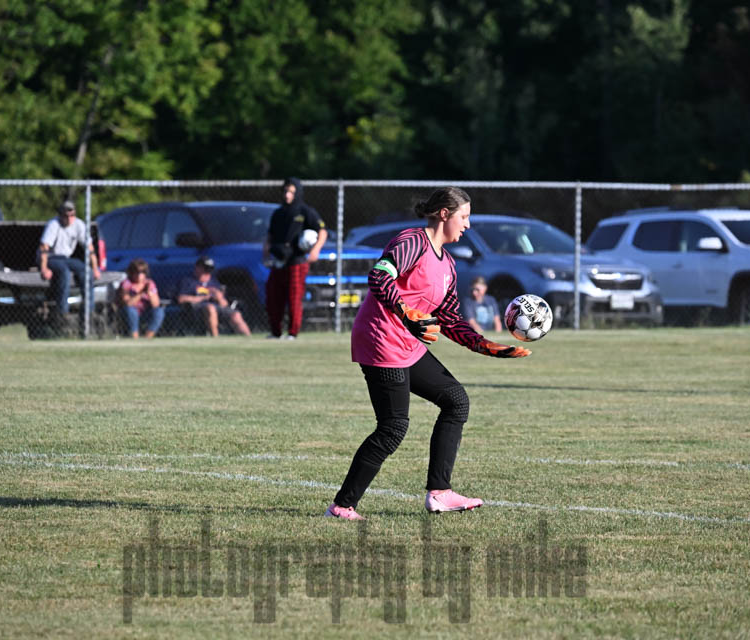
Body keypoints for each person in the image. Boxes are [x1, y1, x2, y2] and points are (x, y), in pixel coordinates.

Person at [325, 187, 531, 521]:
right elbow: (380, 276)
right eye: (464, 217)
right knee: (393, 427)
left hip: (409, 343)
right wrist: (406, 312)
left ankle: (440, 493)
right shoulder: (412, 242)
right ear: (445, 214)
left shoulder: (448, 265)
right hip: (381, 340)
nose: (467, 225)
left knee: (456, 401)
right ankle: (342, 506)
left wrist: (487, 347)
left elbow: (450, 320)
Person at [262, 177, 327, 340]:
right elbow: (270, 236)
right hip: (278, 261)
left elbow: (322, 232)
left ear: (297, 193)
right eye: (285, 191)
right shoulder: (278, 213)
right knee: (273, 298)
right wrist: (266, 251)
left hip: (296, 262)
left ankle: (292, 332)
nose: (287, 195)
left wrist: (315, 250)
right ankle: (275, 332)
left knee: (294, 298)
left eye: (291, 191)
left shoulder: (305, 211)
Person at [39, 200, 101, 318]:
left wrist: (95, 268)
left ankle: (89, 313)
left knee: (86, 272)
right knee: (64, 272)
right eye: (66, 216)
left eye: (72, 215)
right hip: (52, 258)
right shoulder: (54, 224)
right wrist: (44, 268)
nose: (69, 218)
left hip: (66, 258)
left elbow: (90, 248)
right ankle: (63, 313)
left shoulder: (79, 225)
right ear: (60, 215)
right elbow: (44, 247)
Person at [176, 256, 252, 337]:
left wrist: (219, 297)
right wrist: (204, 298)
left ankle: (248, 339)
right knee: (210, 308)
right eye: (205, 269)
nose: (207, 273)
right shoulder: (188, 281)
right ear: (198, 268)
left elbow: (224, 304)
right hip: (196, 309)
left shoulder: (214, 282)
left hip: (218, 308)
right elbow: (181, 299)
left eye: (209, 270)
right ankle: (216, 338)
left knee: (236, 314)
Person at [118, 258, 165, 338]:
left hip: (146, 312)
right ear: (131, 273)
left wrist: (149, 293)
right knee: (131, 311)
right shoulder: (126, 284)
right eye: (137, 272)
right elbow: (128, 303)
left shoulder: (149, 283)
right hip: (130, 313)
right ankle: (135, 337)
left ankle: (148, 337)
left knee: (159, 311)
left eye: (142, 272)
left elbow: (156, 304)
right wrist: (141, 293)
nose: (139, 275)